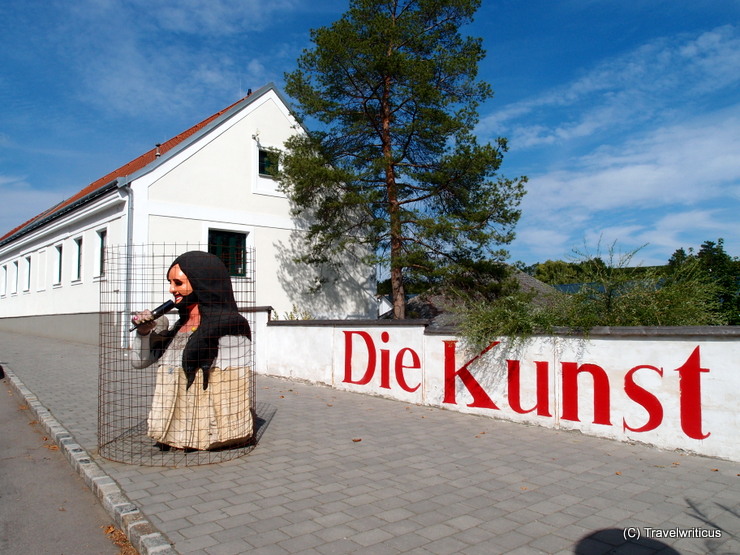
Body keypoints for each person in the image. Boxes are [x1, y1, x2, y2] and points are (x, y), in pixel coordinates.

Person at [130, 251, 252, 451]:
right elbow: (139, 362)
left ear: (202, 283)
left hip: (205, 428)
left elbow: (228, 386)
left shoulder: (229, 327)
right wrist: (143, 334)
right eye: (170, 283)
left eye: (178, 283)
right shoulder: (177, 327)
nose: (171, 290)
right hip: (173, 423)